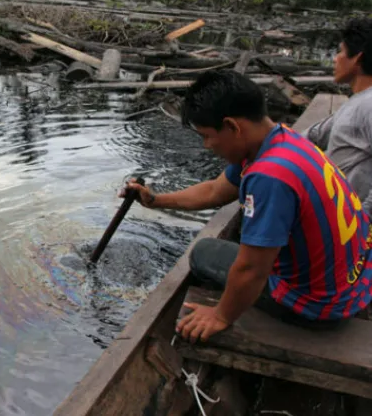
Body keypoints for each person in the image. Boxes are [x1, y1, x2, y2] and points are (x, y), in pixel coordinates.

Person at [121, 70, 372, 343]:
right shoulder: (285, 140)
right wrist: (155, 199)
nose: (206, 146)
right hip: (355, 285)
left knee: (204, 253)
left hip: (320, 307)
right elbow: (214, 191)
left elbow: (252, 269)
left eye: (206, 136)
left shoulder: (269, 177)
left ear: (232, 126)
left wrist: (221, 316)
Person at [304, 17, 372, 216]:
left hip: (351, 230)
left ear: (357, 59)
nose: (336, 58)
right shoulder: (357, 102)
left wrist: (362, 222)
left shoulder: (368, 105)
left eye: (341, 51)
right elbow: (313, 135)